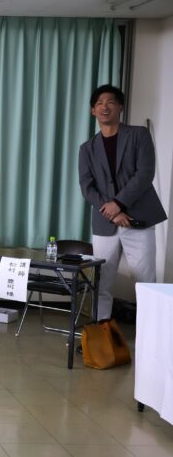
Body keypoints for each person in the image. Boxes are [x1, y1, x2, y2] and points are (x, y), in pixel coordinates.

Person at [79, 84, 167, 320]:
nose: (104, 106)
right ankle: (102, 333)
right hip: (105, 224)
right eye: (99, 103)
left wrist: (117, 204)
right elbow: (87, 187)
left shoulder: (139, 135)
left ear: (120, 107)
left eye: (110, 102)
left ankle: (151, 334)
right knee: (102, 282)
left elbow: (145, 173)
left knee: (146, 282)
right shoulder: (87, 149)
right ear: (93, 111)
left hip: (138, 219)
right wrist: (113, 212)